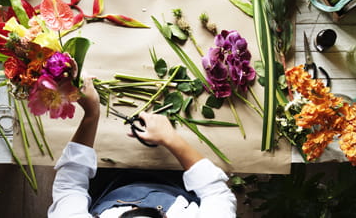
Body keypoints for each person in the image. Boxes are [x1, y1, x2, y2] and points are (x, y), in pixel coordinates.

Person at [47, 79, 236, 217]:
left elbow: (70, 184)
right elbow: (215, 192)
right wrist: (171, 139)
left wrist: (91, 113)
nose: (134, 208)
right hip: (177, 182)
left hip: (108, 184)